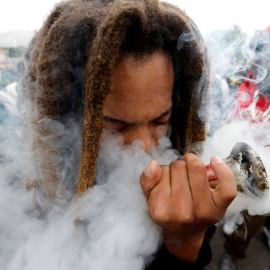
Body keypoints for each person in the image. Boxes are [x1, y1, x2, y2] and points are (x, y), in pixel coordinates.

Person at [20, 0, 237, 269]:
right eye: (115, 126)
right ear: (66, 117)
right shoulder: (23, 201)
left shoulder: (183, 166)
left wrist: (187, 241)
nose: (145, 147)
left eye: (161, 120)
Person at [219, 27, 270, 270]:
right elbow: (230, 115)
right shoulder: (248, 79)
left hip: (264, 171)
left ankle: (232, 254)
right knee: (215, 207)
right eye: (256, 50)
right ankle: (200, 246)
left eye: (261, 52)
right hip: (233, 157)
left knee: (251, 218)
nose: (255, 57)